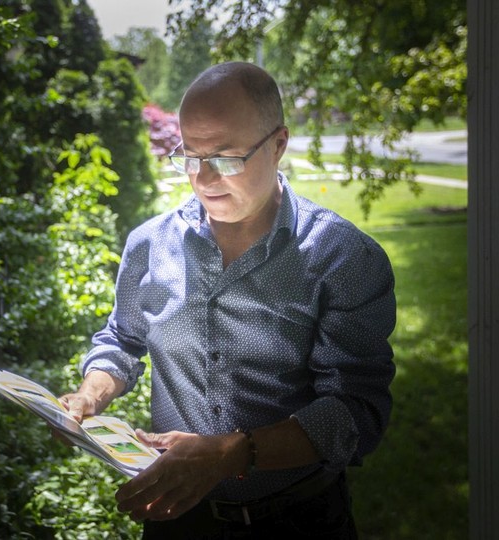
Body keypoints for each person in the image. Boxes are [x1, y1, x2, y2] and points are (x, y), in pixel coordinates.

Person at [60, 61, 396, 539]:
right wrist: (90, 395)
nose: (203, 178)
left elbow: (356, 412)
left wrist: (229, 454)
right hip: (177, 517)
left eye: (225, 157)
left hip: (299, 521)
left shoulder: (342, 258)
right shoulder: (149, 244)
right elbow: (122, 339)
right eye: (190, 156)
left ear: (278, 144)